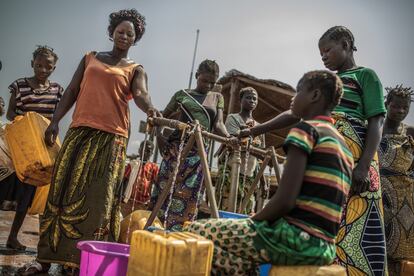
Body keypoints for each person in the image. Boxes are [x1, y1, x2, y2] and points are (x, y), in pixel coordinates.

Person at [19, 9, 158, 275]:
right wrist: (55, 121)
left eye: (130, 33)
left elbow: (141, 94)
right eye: (120, 31)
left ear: (135, 38)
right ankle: (45, 260)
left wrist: (151, 109)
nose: (124, 36)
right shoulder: (90, 58)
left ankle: (85, 262)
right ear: (112, 32)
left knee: (100, 200)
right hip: (80, 131)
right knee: (61, 192)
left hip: (112, 138)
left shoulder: (135, 69)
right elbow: (71, 90)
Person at [241, 26, 388, 275]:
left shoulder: (366, 76)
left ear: (346, 43)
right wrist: (254, 130)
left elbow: (376, 122)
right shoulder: (325, 85)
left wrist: (363, 166)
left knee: (357, 222)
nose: (324, 57)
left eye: (327, 50)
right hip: (325, 155)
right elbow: (294, 113)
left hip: (354, 160)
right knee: (320, 214)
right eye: (321, 54)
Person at [185, 70, 353, 275]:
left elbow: (285, 201)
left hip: (293, 238)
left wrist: (251, 221)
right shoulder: (343, 146)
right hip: (325, 247)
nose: (293, 98)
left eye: (298, 91)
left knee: (195, 232)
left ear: (315, 95)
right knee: (233, 259)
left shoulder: (306, 130)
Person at [149, 59, 237, 231]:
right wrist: (159, 136)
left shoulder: (217, 98)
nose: (209, 85)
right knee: (164, 193)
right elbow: (162, 119)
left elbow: (218, 124)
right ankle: (153, 231)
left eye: (213, 82)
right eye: (205, 80)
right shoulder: (181, 95)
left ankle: (176, 236)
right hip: (175, 151)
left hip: (198, 157)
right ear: (197, 76)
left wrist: (228, 138)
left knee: (188, 199)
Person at [0, 46, 63, 251]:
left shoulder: (57, 91)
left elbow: (56, 118)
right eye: (38, 65)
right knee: (4, 186)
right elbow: (10, 114)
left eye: (48, 67)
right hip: (20, 145)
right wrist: (28, 123)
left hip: (41, 150)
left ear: (54, 68)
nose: (43, 70)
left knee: (28, 192)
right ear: (32, 64)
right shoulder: (19, 85)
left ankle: (12, 237)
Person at [379, 85, 414, 275]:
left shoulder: (410, 132)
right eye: (396, 106)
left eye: (405, 108)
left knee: (401, 253)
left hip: (405, 200)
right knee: (377, 245)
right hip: (377, 194)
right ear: (386, 104)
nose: (401, 111)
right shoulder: (375, 129)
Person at [215, 86, 264, 214]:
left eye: (255, 98)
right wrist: (246, 138)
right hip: (232, 170)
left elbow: (261, 154)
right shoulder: (233, 118)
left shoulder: (259, 127)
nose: (252, 100)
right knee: (226, 204)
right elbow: (234, 141)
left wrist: (261, 178)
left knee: (246, 209)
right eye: (248, 97)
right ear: (240, 100)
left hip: (250, 175)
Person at [121, 140, 159, 216]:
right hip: (128, 201)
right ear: (139, 150)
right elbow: (124, 180)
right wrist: (121, 195)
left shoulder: (154, 167)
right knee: (124, 222)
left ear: (151, 153)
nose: (145, 153)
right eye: (143, 150)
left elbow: (157, 184)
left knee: (138, 223)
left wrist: (153, 200)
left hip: (143, 203)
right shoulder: (132, 164)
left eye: (148, 151)